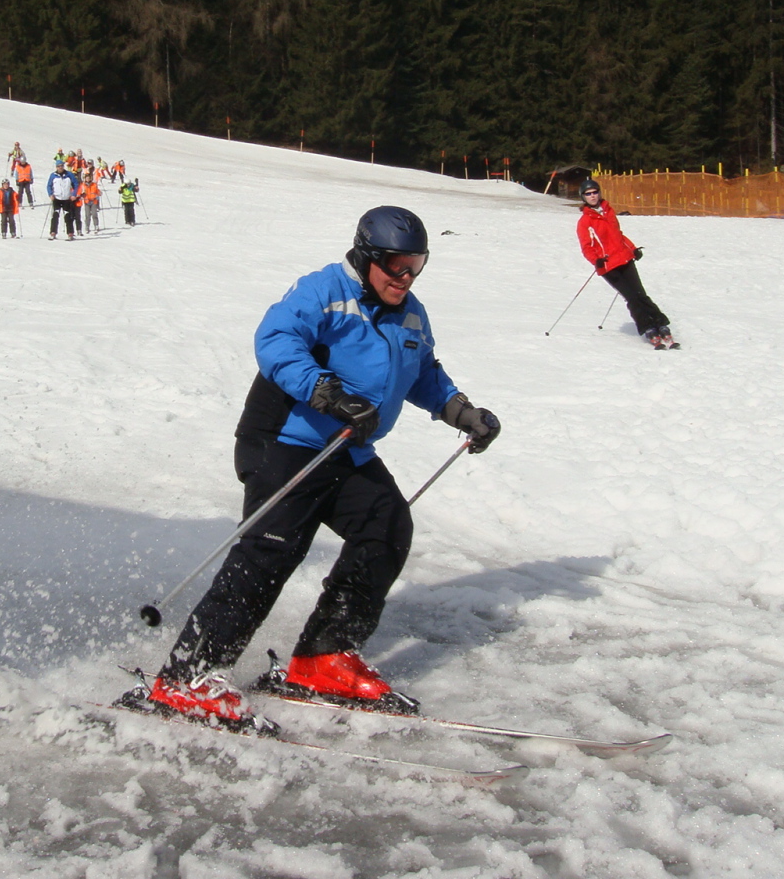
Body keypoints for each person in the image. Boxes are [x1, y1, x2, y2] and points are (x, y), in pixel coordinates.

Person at [130, 207, 501, 729]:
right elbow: (276, 341)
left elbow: (422, 371)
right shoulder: (324, 291)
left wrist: (462, 412)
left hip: (346, 449)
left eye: (416, 265)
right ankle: (188, 677)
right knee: (272, 551)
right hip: (282, 441)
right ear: (367, 257)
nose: (406, 277)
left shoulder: (411, 314)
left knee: (386, 527)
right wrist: (327, 393)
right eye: (396, 265)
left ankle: (324, 656)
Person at [576, 178, 674, 348]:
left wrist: (633, 248)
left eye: (595, 192)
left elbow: (618, 235)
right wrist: (596, 260)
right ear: (583, 197)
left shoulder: (609, 212)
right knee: (632, 297)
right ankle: (648, 328)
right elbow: (586, 247)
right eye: (588, 194)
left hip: (624, 258)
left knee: (640, 294)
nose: (592, 196)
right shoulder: (585, 222)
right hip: (608, 266)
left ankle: (660, 324)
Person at [46, 160, 76, 240]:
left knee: (68, 216)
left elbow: (76, 184)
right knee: (55, 216)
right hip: (57, 198)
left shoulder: (69, 175)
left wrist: (74, 194)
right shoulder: (53, 175)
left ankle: (70, 233)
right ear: (56, 167)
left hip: (66, 198)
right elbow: (49, 186)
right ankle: (53, 232)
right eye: (59, 166)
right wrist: (50, 194)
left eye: (62, 166)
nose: (60, 167)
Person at [81, 169, 101, 234]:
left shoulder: (94, 184)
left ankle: (96, 225)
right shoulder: (83, 185)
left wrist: (99, 193)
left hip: (93, 201)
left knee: (94, 214)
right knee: (87, 215)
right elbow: (81, 192)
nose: (88, 179)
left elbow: (97, 191)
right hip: (87, 202)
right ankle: (87, 227)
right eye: (86, 178)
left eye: (89, 178)